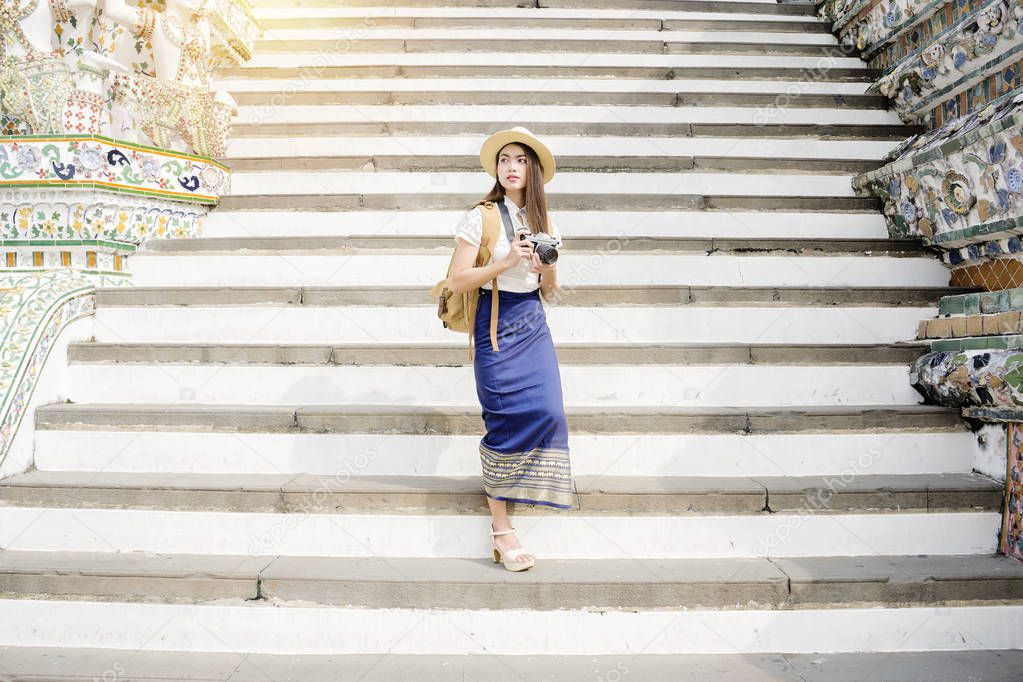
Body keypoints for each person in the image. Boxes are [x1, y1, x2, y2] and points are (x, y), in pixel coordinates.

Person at [446, 126, 574, 572]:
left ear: (533, 169)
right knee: (502, 418)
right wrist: (503, 262)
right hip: (494, 321)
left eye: (520, 160)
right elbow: (456, 280)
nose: (511, 167)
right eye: (504, 160)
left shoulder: (547, 223)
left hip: (532, 322)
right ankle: (502, 529)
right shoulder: (480, 217)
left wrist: (543, 267)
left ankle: (518, 482)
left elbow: (550, 292)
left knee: (549, 411)